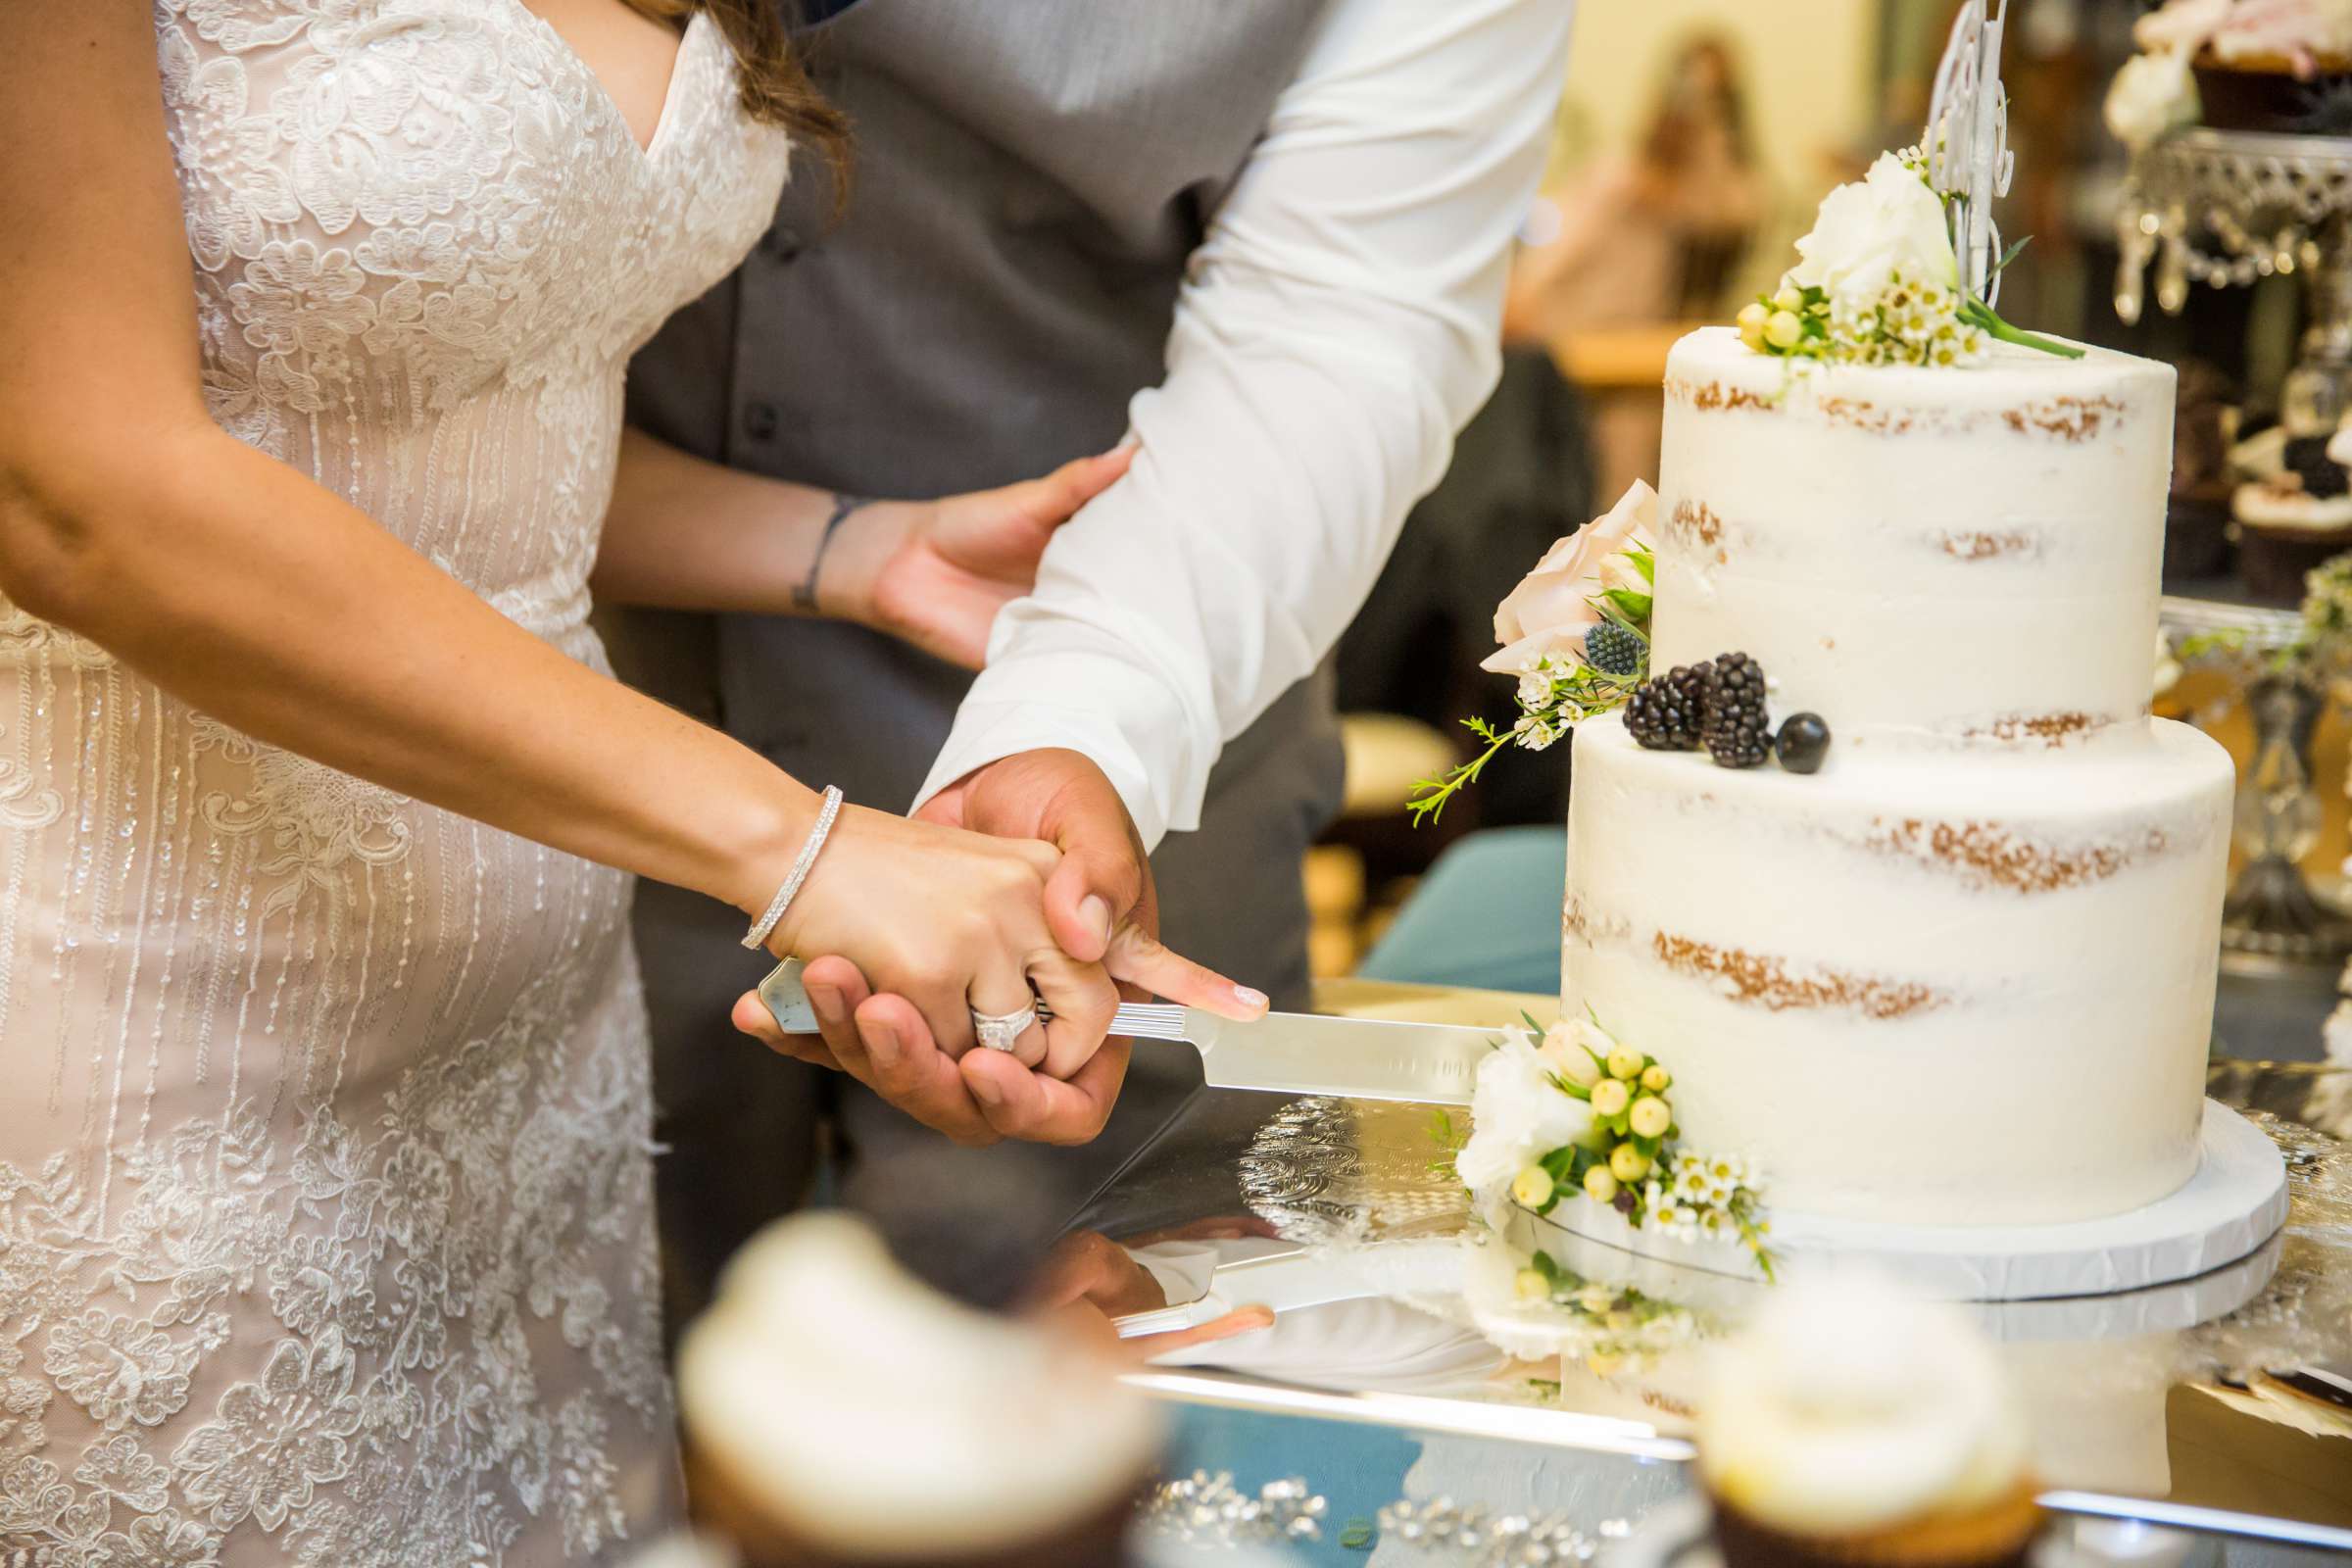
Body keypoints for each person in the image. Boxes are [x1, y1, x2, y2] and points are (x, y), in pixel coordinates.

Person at [0, 4, 1253, 1562]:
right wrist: (801, 848)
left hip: (526, 1063)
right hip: (152, 1018)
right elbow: (76, 487)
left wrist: (851, 551)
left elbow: (422, 427)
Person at [640, 0, 1578, 1319]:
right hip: (544, 760)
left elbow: (1339, 325)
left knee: (1092, 1457)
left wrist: (1079, 717)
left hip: (1134, 794)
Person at [1503, 31, 1765, 500]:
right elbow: (1554, 255)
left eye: (1714, 99)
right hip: (1577, 335)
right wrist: (1521, 301)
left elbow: (1732, 208)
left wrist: (1707, 138)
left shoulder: (1712, 191)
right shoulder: (1618, 176)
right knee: (1619, 444)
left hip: (1645, 346)